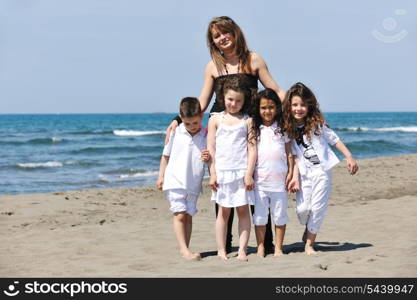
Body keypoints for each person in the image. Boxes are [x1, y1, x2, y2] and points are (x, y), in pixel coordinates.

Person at [166, 16, 286, 252]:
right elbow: (202, 101)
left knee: (254, 185)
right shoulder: (213, 65)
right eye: (216, 36)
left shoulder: (253, 59)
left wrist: (300, 110)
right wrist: (177, 119)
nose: (223, 38)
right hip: (220, 130)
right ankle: (227, 245)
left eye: (225, 33)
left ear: (235, 32)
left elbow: (275, 89)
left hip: (249, 127)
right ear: (213, 41)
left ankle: (266, 243)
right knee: (223, 187)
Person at [284, 82, 359, 255]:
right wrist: (293, 175)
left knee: (317, 209)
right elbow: (292, 156)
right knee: (303, 210)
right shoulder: (288, 128)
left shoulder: (317, 124)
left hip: (322, 172)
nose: (299, 108)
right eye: (295, 105)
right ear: (289, 106)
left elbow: (334, 140)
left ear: (309, 105)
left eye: (303, 104)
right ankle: (308, 229)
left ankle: (309, 243)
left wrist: (348, 156)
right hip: (303, 174)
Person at [208, 77, 255, 261]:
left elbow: (252, 149)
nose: (233, 104)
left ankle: (242, 250)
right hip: (222, 173)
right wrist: (212, 173)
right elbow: (211, 148)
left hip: (242, 173)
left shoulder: (247, 121)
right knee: (223, 212)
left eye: (238, 100)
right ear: (223, 98)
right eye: (230, 99)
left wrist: (249, 174)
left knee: (244, 211)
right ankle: (221, 250)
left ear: (244, 101)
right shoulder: (215, 119)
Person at [156, 97, 210, 260]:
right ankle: (184, 250)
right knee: (179, 214)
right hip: (175, 179)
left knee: (188, 215)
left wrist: (208, 156)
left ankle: (186, 248)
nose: (192, 127)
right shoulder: (175, 132)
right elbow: (165, 156)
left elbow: (208, 157)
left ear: (201, 116)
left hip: (193, 181)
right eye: (187, 124)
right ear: (181, 117)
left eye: (195, 123)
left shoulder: (205, 134)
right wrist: (161, 176)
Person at [250, 88, 294, 257]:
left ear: (276, 108)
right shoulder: (255, 128)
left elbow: (289, 152)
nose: (267, 111)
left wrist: (290, 173)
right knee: (260, 217)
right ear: (258, 109)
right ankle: (261, 247)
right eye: (263, 108)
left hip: (280, 182)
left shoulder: (282, 128)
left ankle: (278, 248)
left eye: (271, 107)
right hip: (260, 182)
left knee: (280, 216)